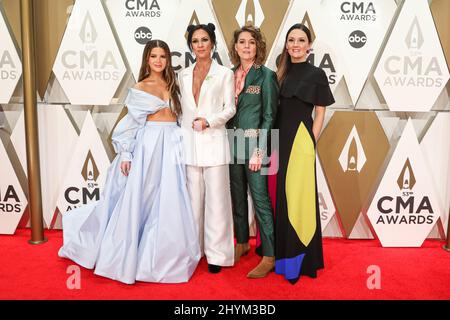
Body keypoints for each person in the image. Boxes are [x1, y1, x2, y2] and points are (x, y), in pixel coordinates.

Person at [58, 40, 201, 284]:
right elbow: (130, 124)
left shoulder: (175, 84)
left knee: (168, 198)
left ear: (168, 59)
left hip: (173, 145)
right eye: (153, 56)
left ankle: (163, 254)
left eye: (163, 56)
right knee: (142, 198)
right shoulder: (140, 87)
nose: (158, 60)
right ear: (147, 59)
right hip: (149, 145)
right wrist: (126, 153)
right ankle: (130, 255)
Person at [274, 24, 335, 284]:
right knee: (283, 200)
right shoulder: (279, 72)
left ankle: (301, 261)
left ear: (309, 45)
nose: (295, 44)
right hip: (279, 141)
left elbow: (320, 112)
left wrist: (311, 140)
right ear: (287, 45)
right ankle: (284, 258)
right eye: (291, 40)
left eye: (301, 40)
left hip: (300, 140)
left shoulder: (317, 74)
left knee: (300, 200)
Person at [178, 23, 236, 274]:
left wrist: (209, 121)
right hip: (188, 144)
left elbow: (230, 108)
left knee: (217, 202)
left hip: (214, 143)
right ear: (190, 46)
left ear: (212, 43)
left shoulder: (225, 73)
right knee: (192, 203)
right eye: (195, 41)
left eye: (204, 40)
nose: (199, 45)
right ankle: (193, 250)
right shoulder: (182, 74)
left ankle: (218, 255)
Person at [227, 25, 278, 278]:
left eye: (251, 42)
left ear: (258, 47)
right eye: (242, 42)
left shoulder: (266, 75)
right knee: (236, 196)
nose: (247, 46)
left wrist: (260, 150)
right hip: (230, 143)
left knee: (260, 199)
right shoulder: (228, 75)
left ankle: (269, 254)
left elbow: (269, 116)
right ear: (235, 47)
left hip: (256, 146)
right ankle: (242, 242)